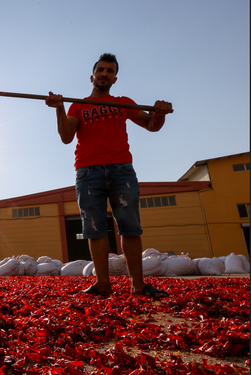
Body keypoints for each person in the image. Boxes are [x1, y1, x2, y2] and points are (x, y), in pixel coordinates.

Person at [45, 53, 173, 298]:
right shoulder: (77, 105)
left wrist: (160, 113)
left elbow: (151, 125)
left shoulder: (123, 102)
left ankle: (138, 285)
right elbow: (66, 136)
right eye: (101, 70)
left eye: (110, 71)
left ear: (114, 79)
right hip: (87, 171)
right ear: (92, 76)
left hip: (120, 170)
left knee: (130, 228)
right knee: (94, 229)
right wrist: (59, 108)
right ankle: (102, 284)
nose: (105, 74)